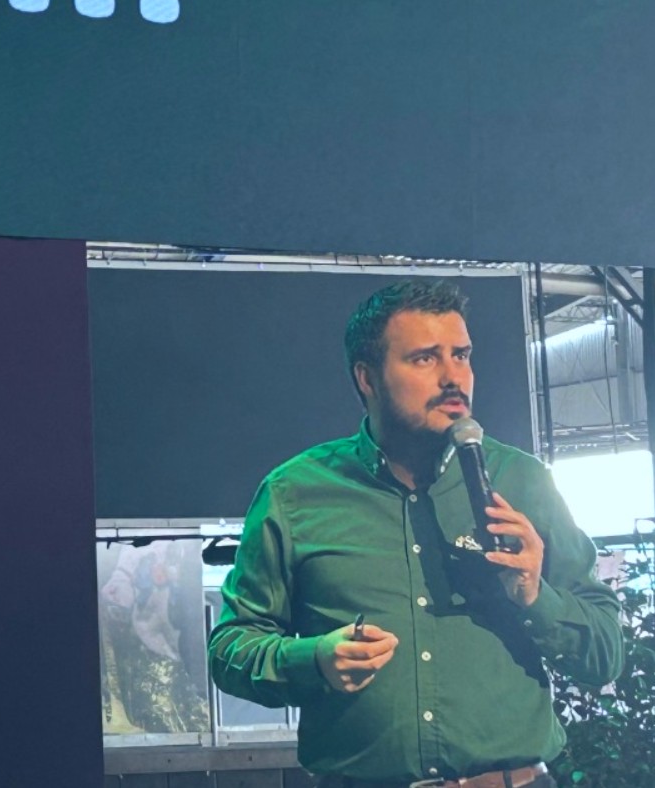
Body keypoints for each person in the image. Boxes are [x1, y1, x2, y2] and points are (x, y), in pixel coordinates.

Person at [208, 280, 623, 788]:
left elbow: (606, 655)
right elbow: (230, 649)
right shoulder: (294, 493)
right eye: (425, 358)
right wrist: (313, 660)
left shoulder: (524, 484)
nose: (453, 377)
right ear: (367, 378)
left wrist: (536, 595)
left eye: (461, 355)